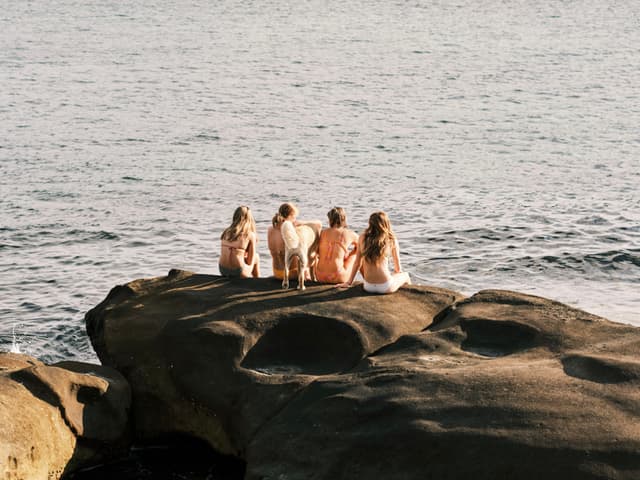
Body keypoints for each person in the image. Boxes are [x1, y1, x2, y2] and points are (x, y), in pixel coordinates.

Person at [337, 211, 410, 293]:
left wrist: (349, 282)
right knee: (405, 275)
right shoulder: (391, 239)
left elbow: (357, 263)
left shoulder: (362, 237)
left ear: (370, 224)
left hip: (368, 286)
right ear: (386, 224)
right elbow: (398, 269)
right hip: (385, 286)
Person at [268, 202, 321, 280]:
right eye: (294, 217)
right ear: (290, 216)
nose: (295, 220)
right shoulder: (291, 230)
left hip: (277, 272)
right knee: (312, 253)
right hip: (292, 273)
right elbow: (319, 224)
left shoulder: (270, 229)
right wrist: (303, 223)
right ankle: (313, 277)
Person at [316, 207, 359, 284]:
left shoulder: (322, 233)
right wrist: (350, 254)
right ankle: (368, 279)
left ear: (330, 219)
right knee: (357, 252)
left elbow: (317, 252)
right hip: (337, 276)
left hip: (319, 276)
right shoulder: (349, 233)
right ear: (344, 219)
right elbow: (362, 245)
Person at [218, 206, 260, 278]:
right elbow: (250, 261)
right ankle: (257, 281)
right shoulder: (249, 235)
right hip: (238, 272)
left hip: (222, 270)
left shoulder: (226, 232)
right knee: (256, 257)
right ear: (249, 218)